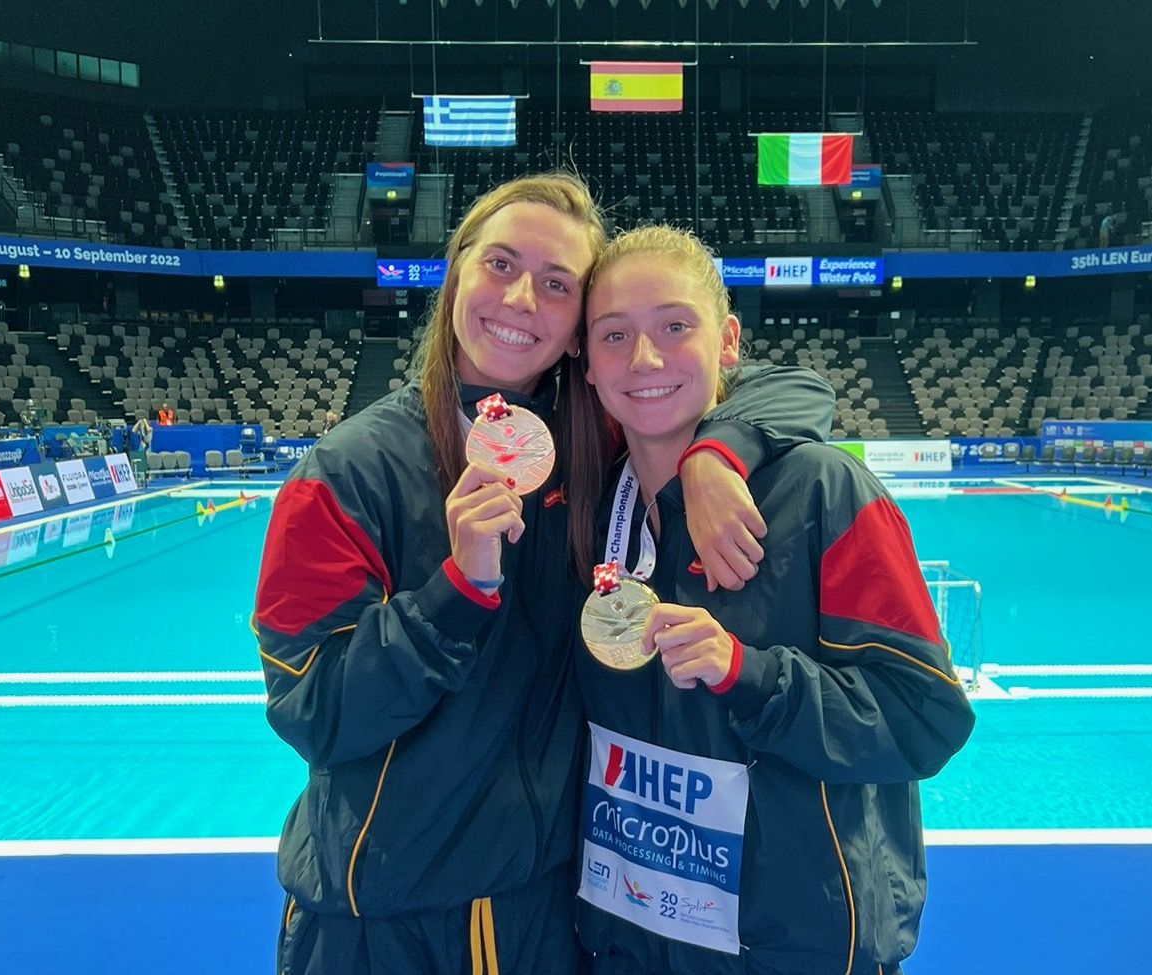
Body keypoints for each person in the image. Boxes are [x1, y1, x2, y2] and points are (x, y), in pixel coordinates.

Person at [253, 174, 834, 975]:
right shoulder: (344, 475)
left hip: (538, 906)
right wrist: (456, 594)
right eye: (498, 264)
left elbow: (793, 385)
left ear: (577, 336)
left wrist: (715, 453)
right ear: (455, 273)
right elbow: (311, 712)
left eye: (557, 284)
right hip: (374, 916)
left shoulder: (597, 434)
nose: (522, 297)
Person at [567, 226, 976, 975]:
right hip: (631, 941)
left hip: (790, 952)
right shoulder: (591, 517)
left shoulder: (825, 492)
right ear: (587, 365)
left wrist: (748, 673)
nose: (646, 358)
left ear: (728, 341)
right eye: (615, 335)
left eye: (675, 326)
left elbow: (926, 718)